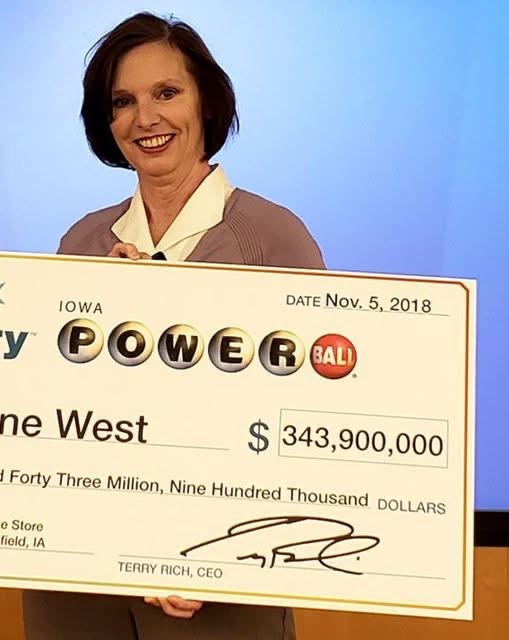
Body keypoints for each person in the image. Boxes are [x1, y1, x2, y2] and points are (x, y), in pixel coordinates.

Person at [23, 11, 324, 640]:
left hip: (220, 585)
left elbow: (309, 425)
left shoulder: (274, 238)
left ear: (205, 102)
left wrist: (217, 553)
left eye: (166, 92)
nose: (146, 118)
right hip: (78, 579)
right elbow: (47, 417)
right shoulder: (80, 244)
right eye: (123, 101)